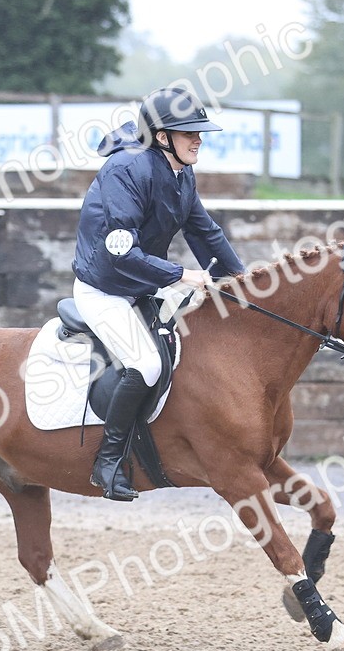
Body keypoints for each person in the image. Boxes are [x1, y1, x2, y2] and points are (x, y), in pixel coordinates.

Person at [71, 87, 247, 502]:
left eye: (199, 132)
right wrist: (181, 273)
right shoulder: (126, 169)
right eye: (189, 133)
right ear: (163, 136)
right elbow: (119, 251)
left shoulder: (180, 172)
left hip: (142, 287)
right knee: (147, 364)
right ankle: (108, 460)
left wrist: (239, 278)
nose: (198, 139)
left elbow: (204, 230)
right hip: (105, 289)